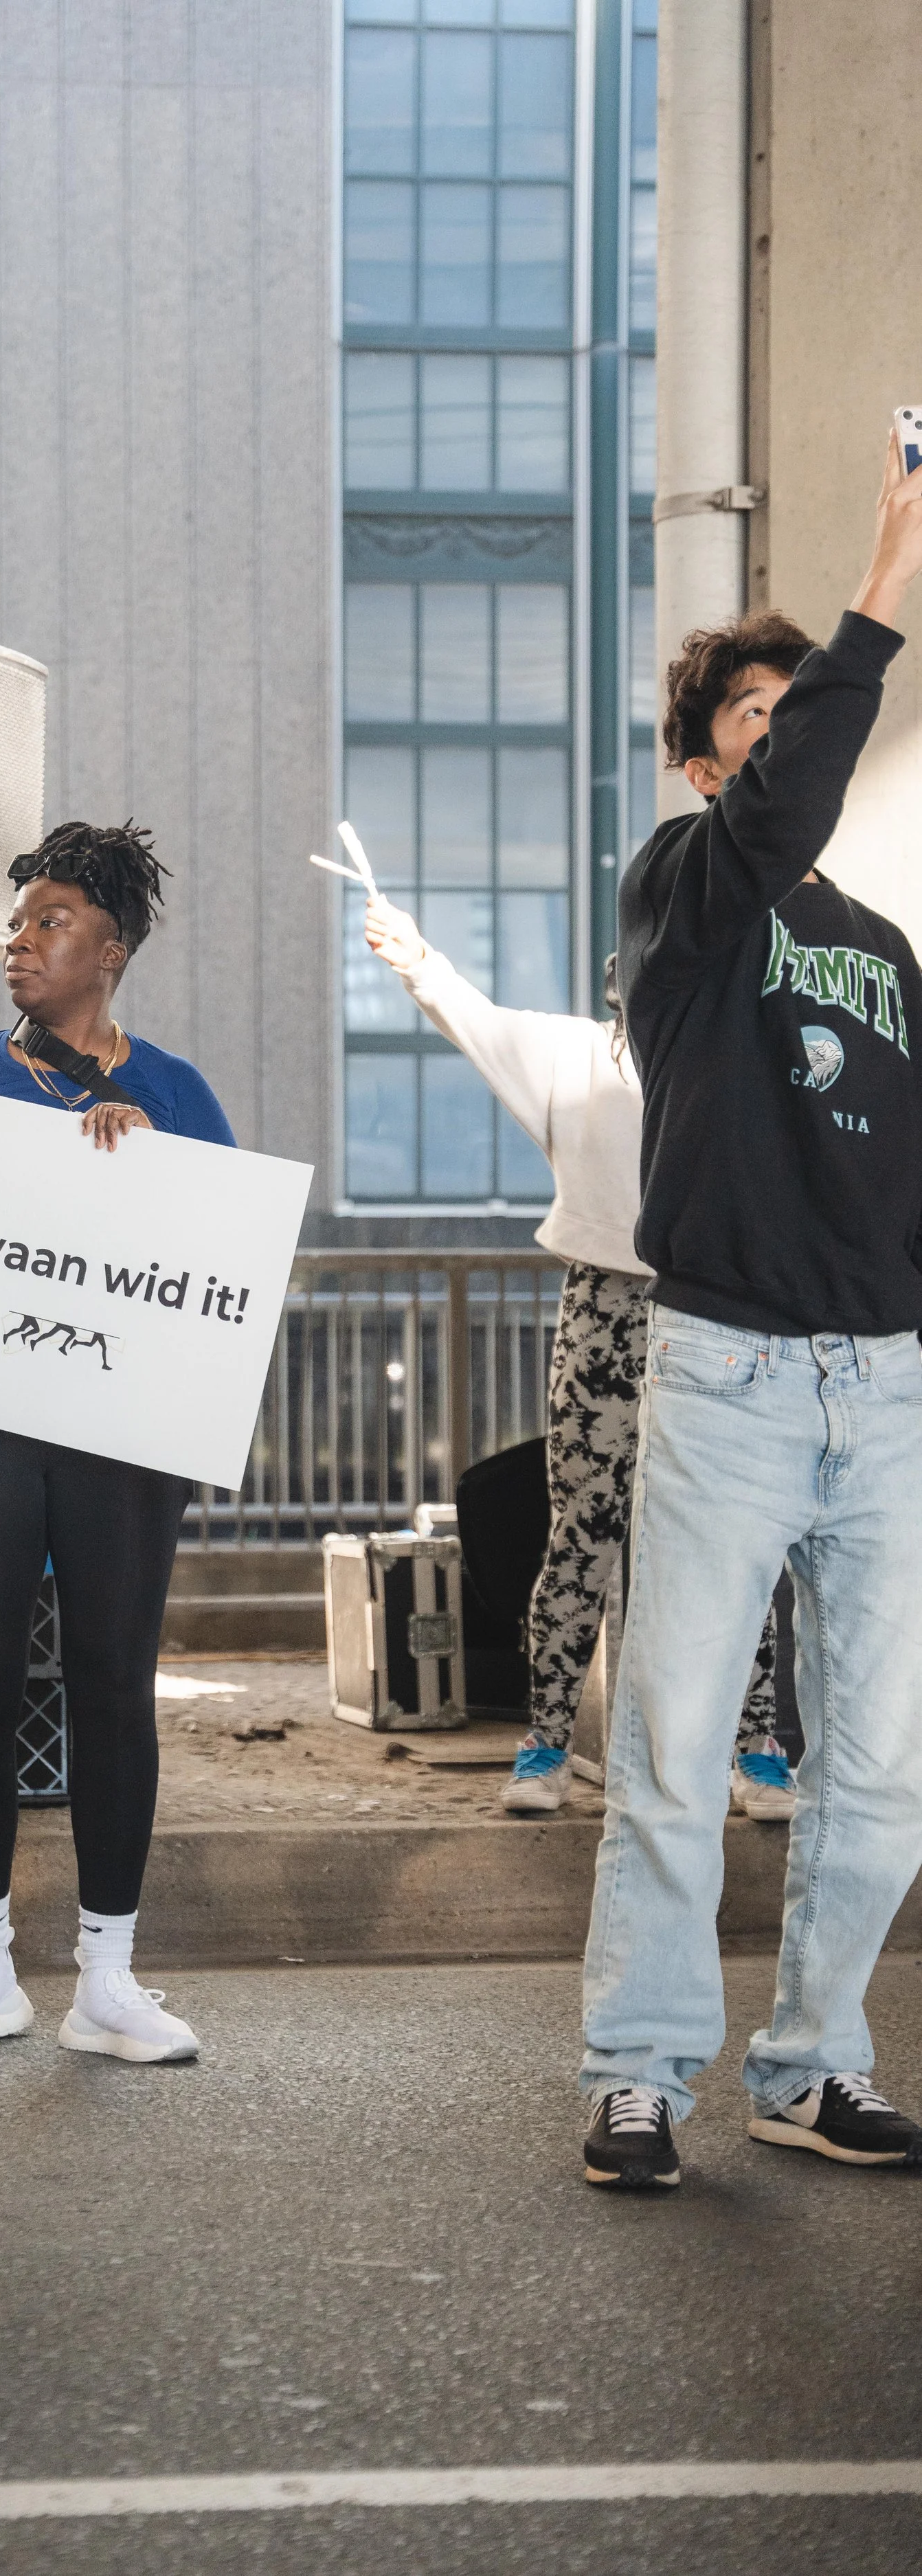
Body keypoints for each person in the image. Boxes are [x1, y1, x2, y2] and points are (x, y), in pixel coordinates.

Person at [581, 430, 922, 2193]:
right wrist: (882, 585)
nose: (785, 741)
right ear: (706, 759)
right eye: (758, 720)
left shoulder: (885, 946)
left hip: (889, 1386)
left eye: (804, 712)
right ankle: (640, 2066)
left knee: (880, 1768)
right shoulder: (681, 896)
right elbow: (783, 800)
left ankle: (814, 2061)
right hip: (727, 1371)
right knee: (678, 1740)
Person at [0, 822, 234, 2064]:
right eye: (18, 922)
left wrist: (148, 1177)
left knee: (112, 1687)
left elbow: (221, 1268)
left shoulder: (180, 1095)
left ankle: (109, 1982)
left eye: (51, 923)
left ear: (112, 949)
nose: (20, 943)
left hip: (120, 1430)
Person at [359, 901, 789, 1820]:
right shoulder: (571, 1057)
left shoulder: (735, 1066)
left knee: (733, 1537)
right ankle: (547, 1745)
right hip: (603, 1303)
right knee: (583, 1532)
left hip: (712, 1307)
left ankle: (755, 1752)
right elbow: (472, 1020)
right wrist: (415, 956)